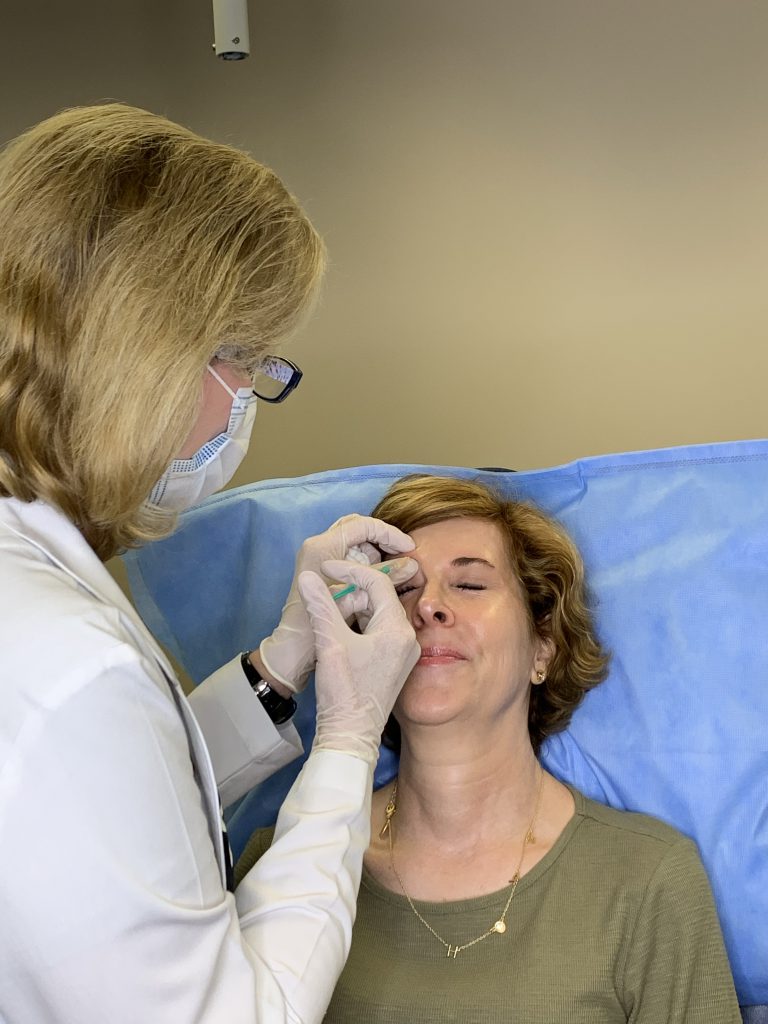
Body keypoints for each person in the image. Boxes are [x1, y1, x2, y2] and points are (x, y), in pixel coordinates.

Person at [0, 104, 421, 1023]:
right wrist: (347, 744)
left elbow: (99, 807)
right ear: (147, 354)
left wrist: (281, 663)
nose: (250, 395)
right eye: (245, 358)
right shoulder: (72, 669)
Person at [237, 475, 742, 1023]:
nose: (428, 606)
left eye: (470, 585)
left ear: (542, 646)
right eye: (401, 588)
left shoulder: (647, 881)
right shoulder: (285, 862)